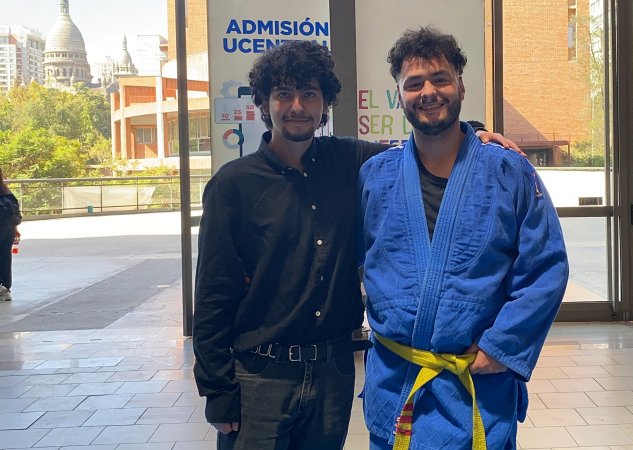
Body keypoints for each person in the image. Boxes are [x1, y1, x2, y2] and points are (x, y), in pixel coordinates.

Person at [193, 40, 520, 450]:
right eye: (284, 94)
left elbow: (423, 146)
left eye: (309, 93)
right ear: (263, 103)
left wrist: (475, 131)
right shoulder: (232, 185)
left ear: (325, 103)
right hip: (261, 375)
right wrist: (217, 391)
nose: (297, 106)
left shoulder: (351, 161)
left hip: (333, 372)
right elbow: (212, 296)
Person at [358, 27, 568, 450]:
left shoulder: (509, 171)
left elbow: (545, 268)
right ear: (399, 95)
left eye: (440, 78)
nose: (428, 92)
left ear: (461, 86)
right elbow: (356, 259)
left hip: (476, 380)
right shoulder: (375, 175)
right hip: (398, 383)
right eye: (414, 84)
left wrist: (502, 347)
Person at [0, 168, 21, 302]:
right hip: (9, 229)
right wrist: (15, 228)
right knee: (5, 257)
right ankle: (6, 288)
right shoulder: (5, 189)